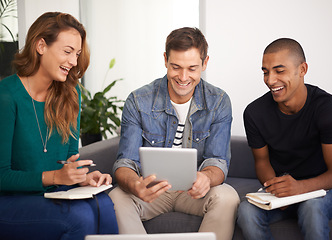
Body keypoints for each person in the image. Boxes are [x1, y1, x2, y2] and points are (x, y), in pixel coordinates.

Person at [108, 27, 240, 240]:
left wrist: (206, 177)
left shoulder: (218, 101)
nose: (183, 77)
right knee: (116, 197)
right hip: (151, 192)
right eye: (176, 67)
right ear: (165, 60)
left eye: (192, 68)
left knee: (228, 197)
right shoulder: (138, 100)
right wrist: (135, 184)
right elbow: (125, 163)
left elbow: (218, 161)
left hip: (193, 194)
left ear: (204, 64)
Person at [0, 12, 118, 240]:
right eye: (67, 52)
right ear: (41, 45)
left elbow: (71, 158)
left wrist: (82, 178)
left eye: (77, 54)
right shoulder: (6, 96)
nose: (74, 62)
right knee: (79, 217)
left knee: (103, 204)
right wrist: (55, 177)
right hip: (11, 201)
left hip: (53, 194)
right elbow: (1, 176)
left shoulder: (71, 95)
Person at [237, 38, 332, 240]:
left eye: (279, 71)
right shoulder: (254, 112)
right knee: (246, 211)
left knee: (312, 209)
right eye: (265, 72)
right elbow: (262, 162)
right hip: (279, 194)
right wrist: (275, 187)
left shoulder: (326, 106)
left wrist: (298, 188)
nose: (270, 80)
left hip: (318, 192)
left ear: (302, 69)